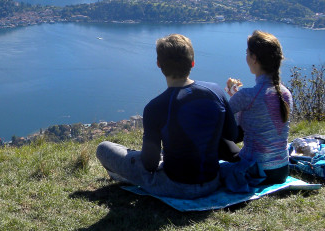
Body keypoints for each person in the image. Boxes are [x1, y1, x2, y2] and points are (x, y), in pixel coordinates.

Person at [96, 34, 238, 199]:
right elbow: (232, 135)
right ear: (192, 63)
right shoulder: (216, 91)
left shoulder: (155, 107)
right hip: (212, 182)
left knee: (104, 148)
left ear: (159, 64)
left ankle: (124, 178)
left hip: (174, 186)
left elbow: (150, 164)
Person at [221, 30, 293, 185]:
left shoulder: (247, 95)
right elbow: (259, 110)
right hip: (281, 171)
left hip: (255, 170)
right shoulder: (285, 93)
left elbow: (223, 123)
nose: (246, 57)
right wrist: (235, 96)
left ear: (254, 59)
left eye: (247, 53)